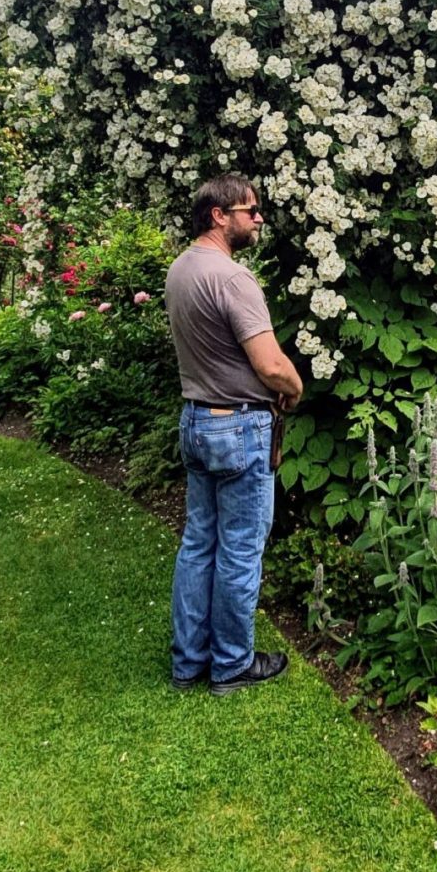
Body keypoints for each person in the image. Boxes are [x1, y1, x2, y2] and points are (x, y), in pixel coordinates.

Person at [165, 172, 303, 695]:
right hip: (240, 426)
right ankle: (231, 665)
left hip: (196, 419)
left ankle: (188, 663)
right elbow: (270, 365)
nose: (259, 218)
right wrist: (294, 386)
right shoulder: (232, 278)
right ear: (220, 216)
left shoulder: (181, 269)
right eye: (250, 210)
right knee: (241, 550)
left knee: (198, 544)